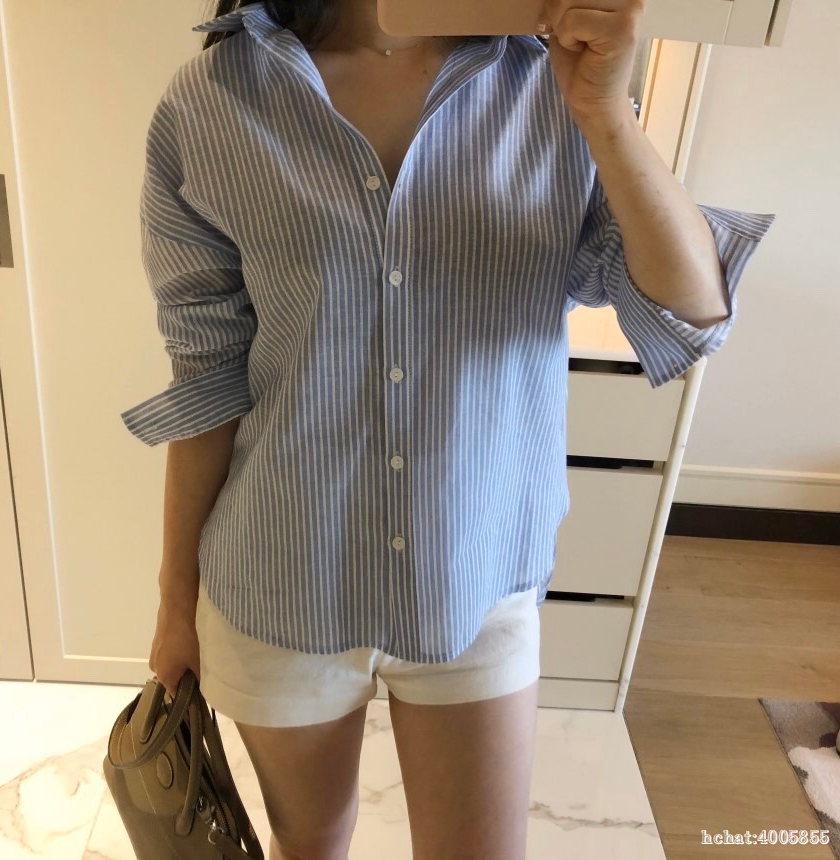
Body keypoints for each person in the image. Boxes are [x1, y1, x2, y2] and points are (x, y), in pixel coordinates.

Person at [124, 1, 775, 858]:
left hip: (477, 577)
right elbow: (209, 379)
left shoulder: (553, 86)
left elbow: (689, 313)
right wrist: (175, 605)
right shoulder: (212, 100)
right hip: (283, 578)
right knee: (309, 845)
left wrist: (606, 114)